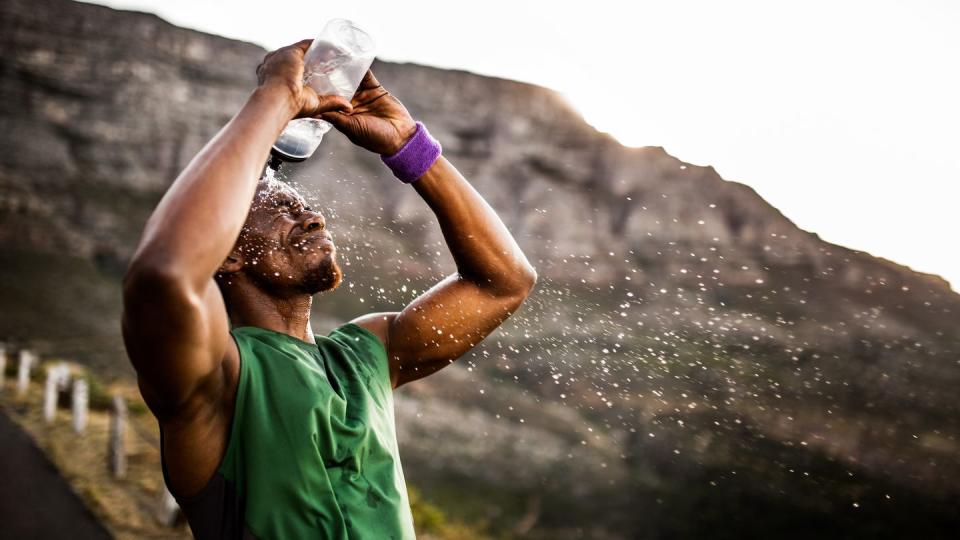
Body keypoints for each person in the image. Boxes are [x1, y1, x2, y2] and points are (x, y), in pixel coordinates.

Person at [121, 40, 536, 539]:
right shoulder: (216, 376)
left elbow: (505, 283)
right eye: (280, 207)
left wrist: (408, 145)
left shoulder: (369, 354)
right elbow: (164, 273)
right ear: (227, 252)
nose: (312, 214)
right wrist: (277, 96)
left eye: (303, 204)